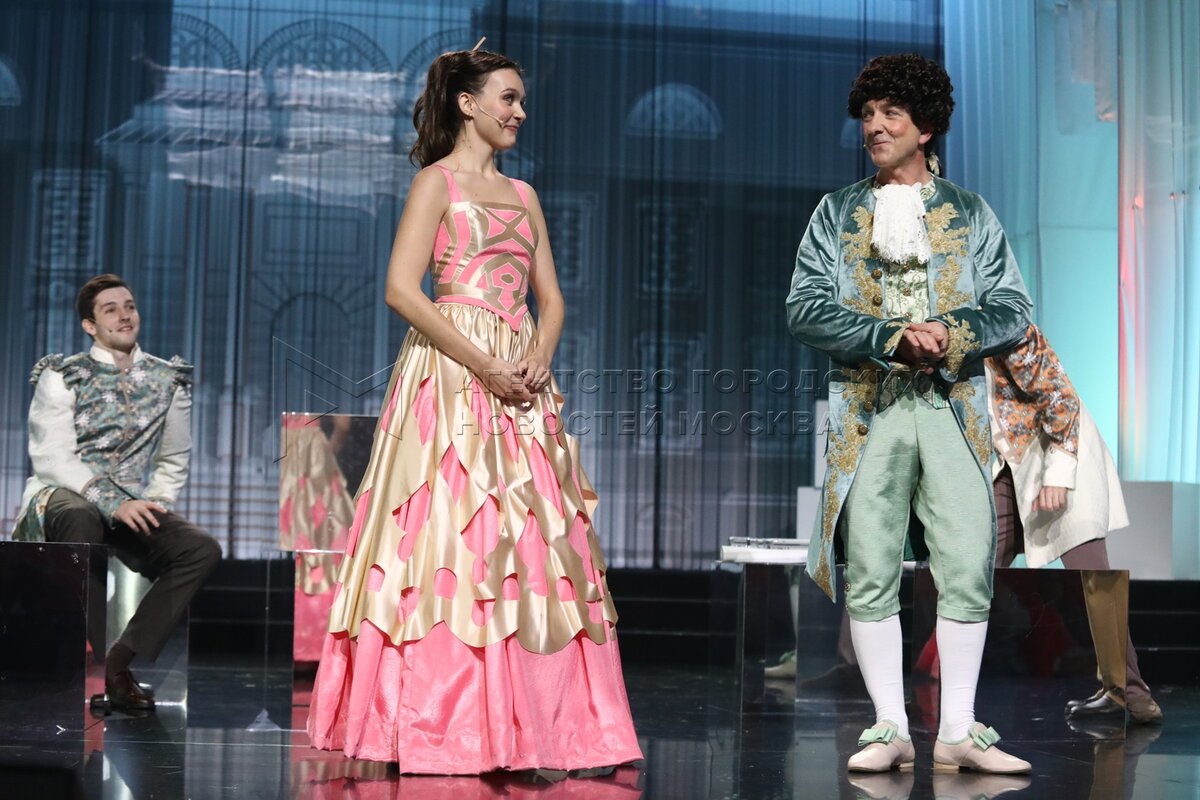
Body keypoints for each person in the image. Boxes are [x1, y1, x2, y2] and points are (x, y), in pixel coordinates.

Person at [305, 45, 642, 774]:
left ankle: (537, 724)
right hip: (453, 370)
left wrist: (538, 355)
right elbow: (401, 288)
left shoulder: (525, 195)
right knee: (449, 530)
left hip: (520, 375)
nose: (519, 111)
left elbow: (551, 298)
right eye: (508, 98)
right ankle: (447, 723)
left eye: (520, 100)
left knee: (532, 537)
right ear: (468, 103)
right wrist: (484, 363)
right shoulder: (436, 183)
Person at [785, 53, 1032, 773]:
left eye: (891, 113)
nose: (875, 126)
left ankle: (957, 729)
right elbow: (804, 307)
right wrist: (889, 336)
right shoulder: (836, 213)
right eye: (867, 114)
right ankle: (889, 726)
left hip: (953, 407)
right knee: (870, 564)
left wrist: (949, 333)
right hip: (871, 408)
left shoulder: (970, 212)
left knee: (966, 560)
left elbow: (1013, 306)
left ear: (925, 127)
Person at [12, 273, 221, 713]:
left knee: (201, 548)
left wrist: (156, 505)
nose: (125, 315)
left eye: (129, 306)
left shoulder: (167, 379)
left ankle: (117, 663)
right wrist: (111, 501)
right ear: (90, 325)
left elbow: (173, 459)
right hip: (63, 494)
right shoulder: (64, 375)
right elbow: (52, 458)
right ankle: (80, 665)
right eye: (111, 310)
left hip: (130, 502)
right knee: (82, 516)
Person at [989, 323, 1162, 724]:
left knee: (1093, 575)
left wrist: (1058, 473)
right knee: (973, 571)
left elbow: (1059, 397)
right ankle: (946, 693)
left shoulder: (1005, 324)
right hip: (1004, 467)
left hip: (1056, 453)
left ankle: (1129, 692)